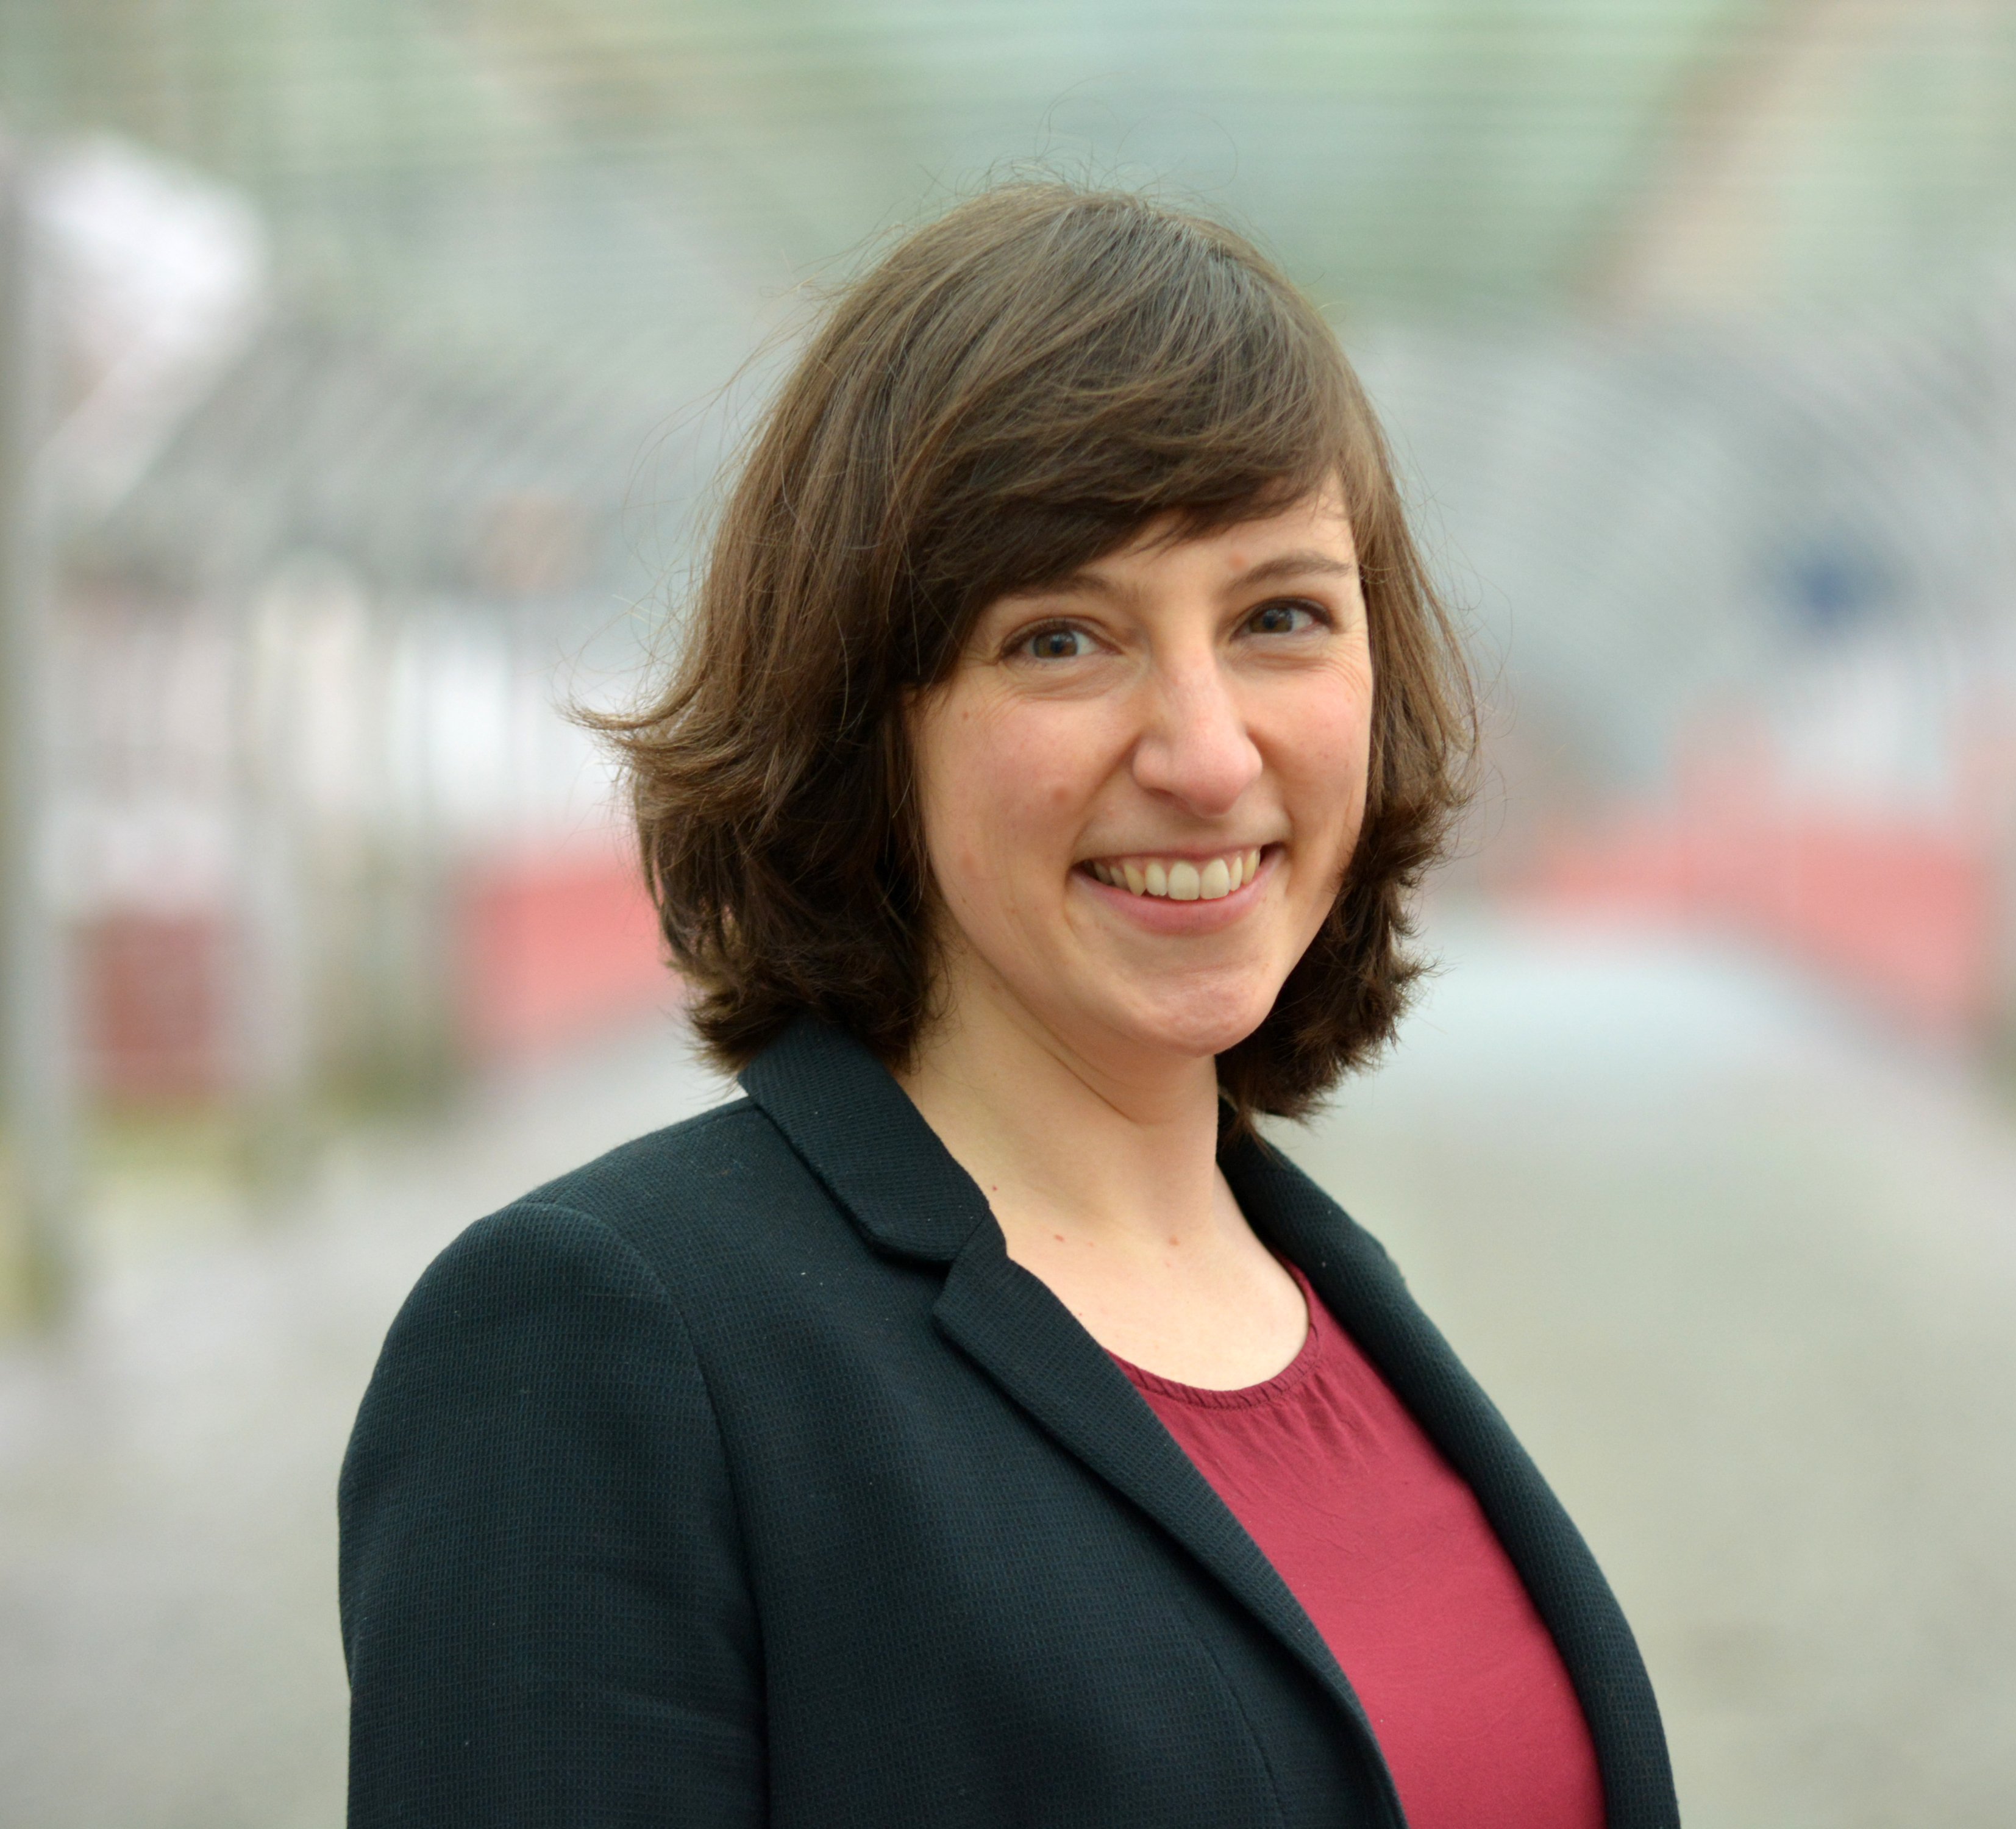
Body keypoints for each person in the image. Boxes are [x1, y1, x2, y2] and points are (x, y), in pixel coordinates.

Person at [338, 182, 1676, 1829]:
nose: (1207, 756)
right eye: (1061, 639)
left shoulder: (1332, 1306)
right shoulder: (605, 1345)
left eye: (1280, 618)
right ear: (863, 718)